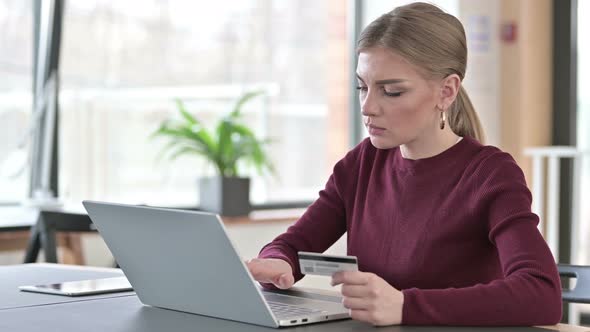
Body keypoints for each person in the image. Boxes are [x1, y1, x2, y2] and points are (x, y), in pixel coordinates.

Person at [246, 2, 562, 327]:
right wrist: (278, 262)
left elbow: (541, 294)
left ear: (447, 91)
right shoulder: (361, 164)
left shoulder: (490, 174)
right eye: (362, 87)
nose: (368, 107)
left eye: (392, 92)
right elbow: (294, 244)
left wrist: (405, 306)